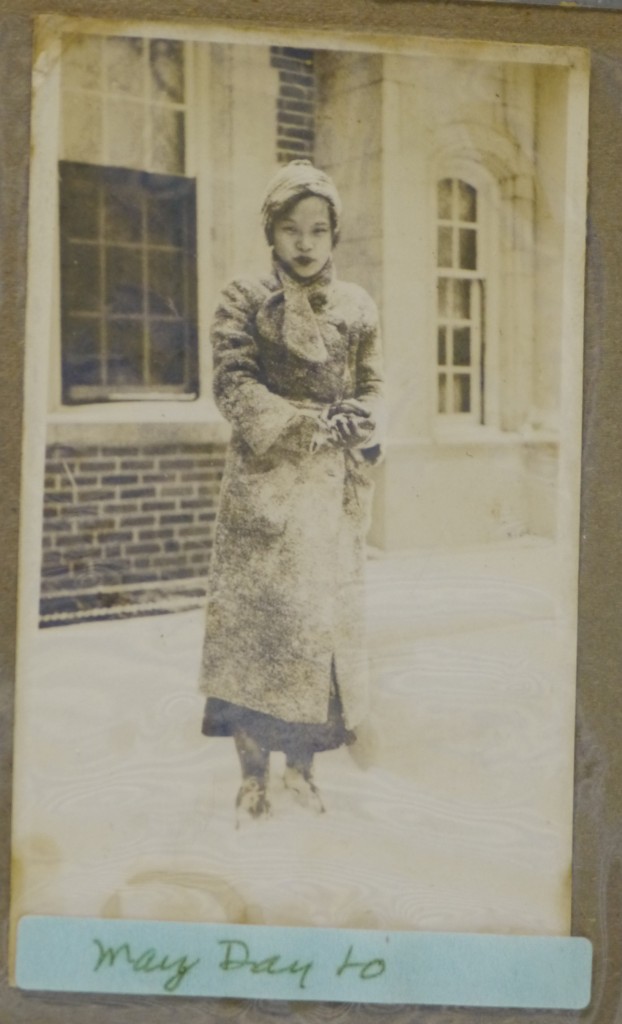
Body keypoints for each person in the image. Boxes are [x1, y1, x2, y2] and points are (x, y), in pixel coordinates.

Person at [199, 159, 385, 823]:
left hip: (328, 503)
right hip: (263, 491)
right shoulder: (243, 298)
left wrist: (361, 422)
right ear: (270, 232)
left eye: (318, 230)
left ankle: (303, 773)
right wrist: (308, 425)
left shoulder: (358, 306)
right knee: (254, 644)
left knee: (315, 644)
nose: (304, 243)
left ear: (334, 234)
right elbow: (234, 386)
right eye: (290, 228)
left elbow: (373, 386)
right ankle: (252, 778)